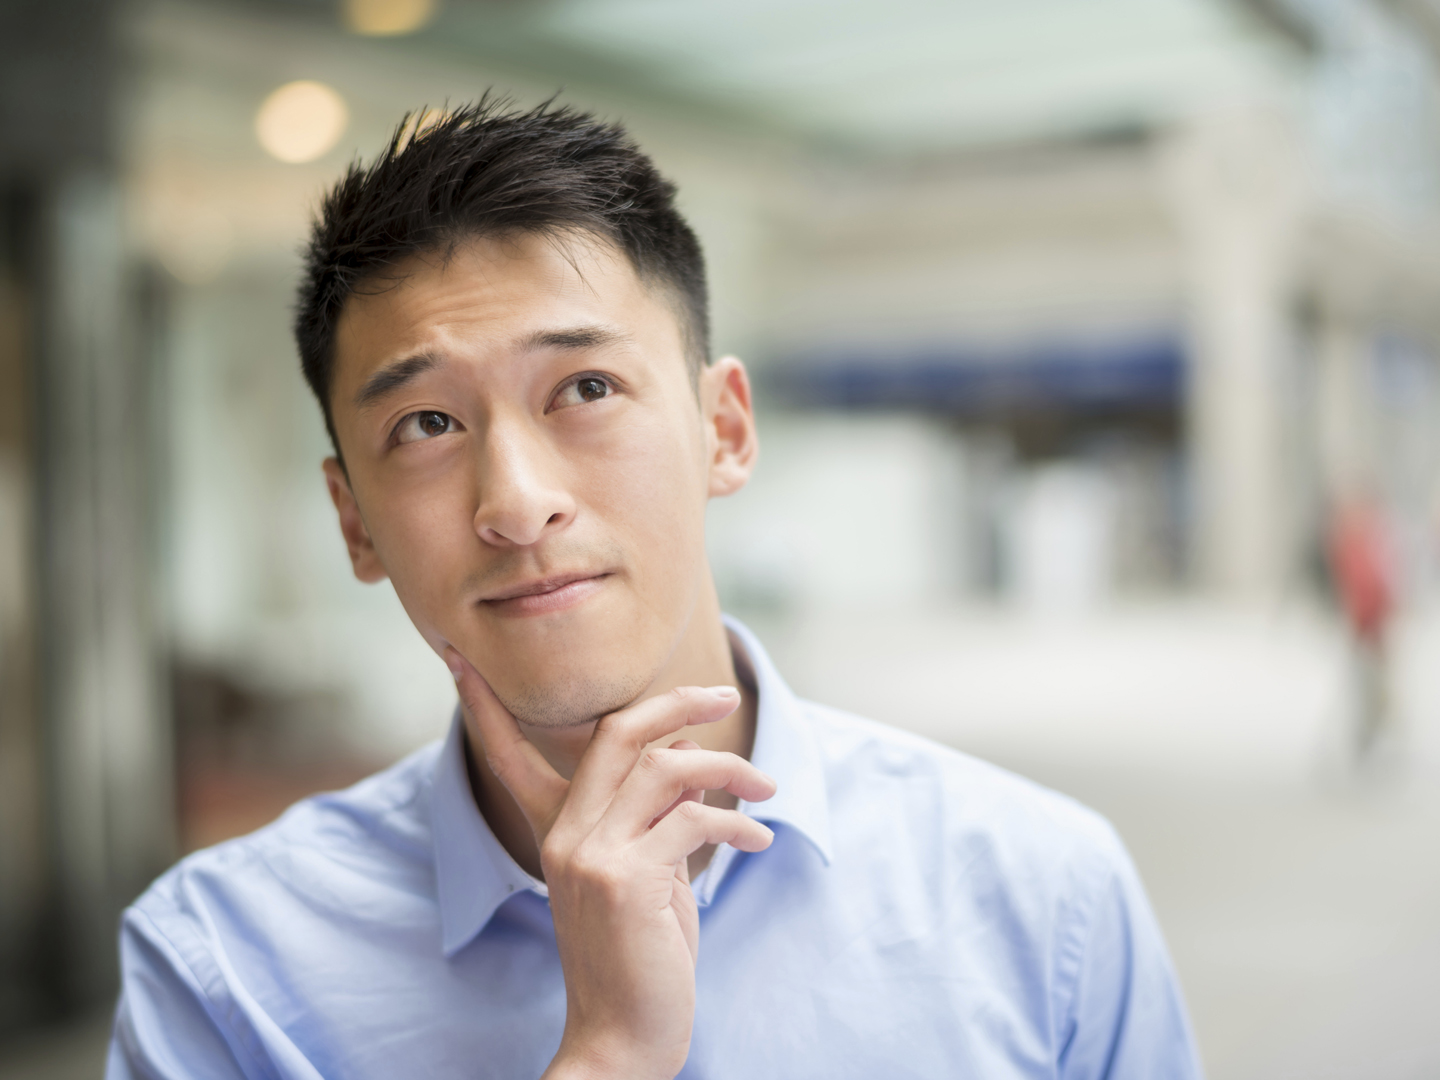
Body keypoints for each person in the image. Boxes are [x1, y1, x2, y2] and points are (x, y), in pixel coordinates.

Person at [107, 98, 1203, 1080]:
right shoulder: (229, 969)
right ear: (356, 522)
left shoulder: (1038, 893)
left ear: (723, 431)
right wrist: (609, 1059)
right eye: (426, 424)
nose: (518, 502)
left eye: (585, 387)